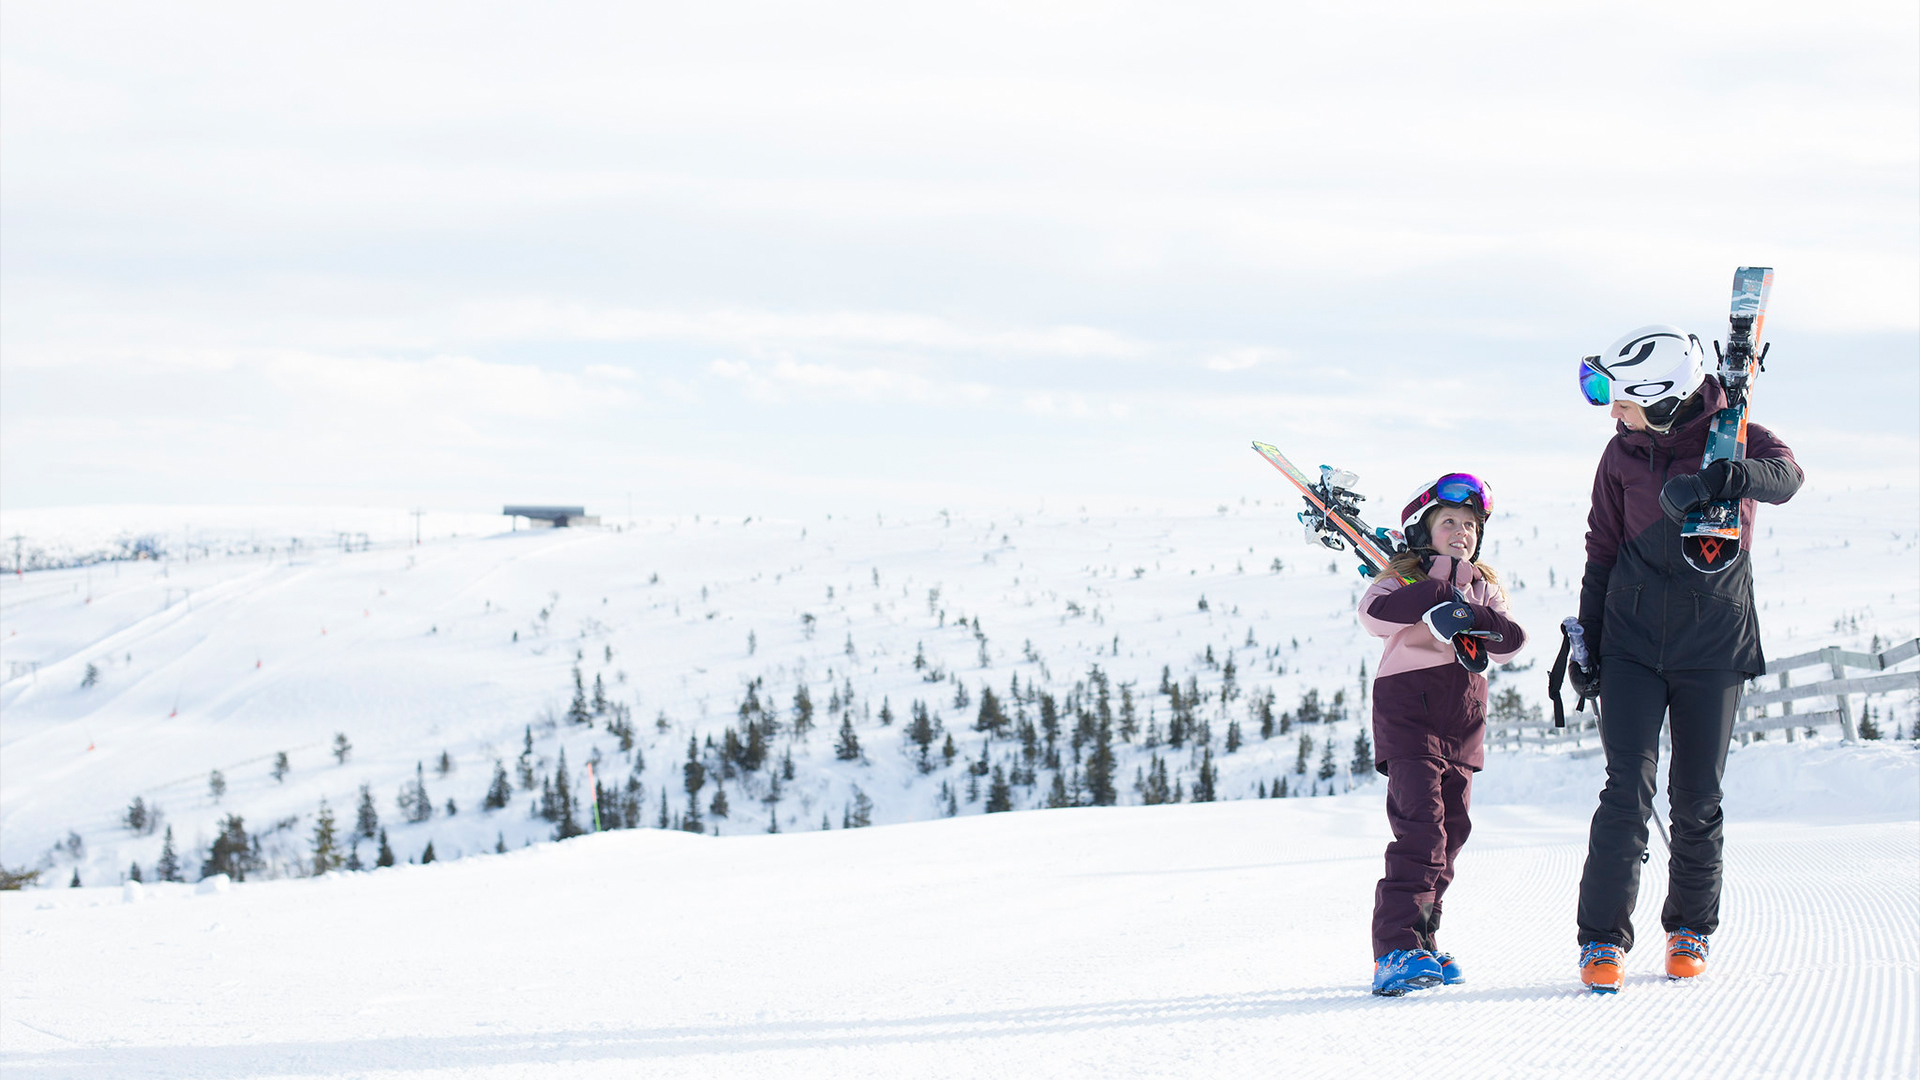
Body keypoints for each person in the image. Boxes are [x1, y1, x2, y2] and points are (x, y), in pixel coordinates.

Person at [1568, 324, 1802, 993]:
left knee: (1697, 796)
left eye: (1617, 396)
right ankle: (1601, 941)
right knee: (1626, 790)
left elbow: (1787, 476)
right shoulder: (1619, 457)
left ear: (1661, 393)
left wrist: (1733, 475)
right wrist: (1587, 641)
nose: (1611, 409)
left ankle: (1690, 929)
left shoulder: (1737, 433)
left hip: (1714, 644)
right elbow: (1601, 552)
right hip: (1633, 645)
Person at [1357, 474, 1527, 996]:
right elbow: (1374, 614)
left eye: (1471, 525)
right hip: (1409, 714)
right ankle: (1395, 950)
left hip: (1462, 722)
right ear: (1423, 530)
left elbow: (1509, 641)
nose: (1462, 531)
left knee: (1451, 836)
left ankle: (1424, 944)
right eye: (1449, 521)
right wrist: (1434, 594)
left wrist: (1467, 610)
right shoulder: (1402, 580)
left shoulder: (1485, 587)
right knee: (1421, 832)